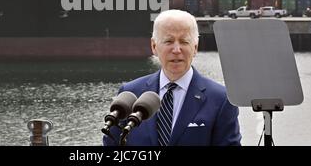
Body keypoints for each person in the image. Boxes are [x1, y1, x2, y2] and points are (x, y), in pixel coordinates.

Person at [103, 9, 241, 146]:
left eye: (184, 42)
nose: (176, 50)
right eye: (168, 41)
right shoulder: (130, 93)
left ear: (195, 47)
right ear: (154, 46)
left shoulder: (221, 99)